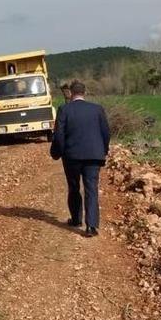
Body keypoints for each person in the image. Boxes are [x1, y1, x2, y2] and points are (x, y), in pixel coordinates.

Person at [49, 81, 110, 237]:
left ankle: (76, 219)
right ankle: (91, 226)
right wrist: (103, 150)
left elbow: (59, 135)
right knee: (91, 189)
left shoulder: (64, 110)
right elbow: (106, 133)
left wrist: (57, 152)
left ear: (71, 92)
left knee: (74, 187)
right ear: (85, 92)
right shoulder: (97, 109)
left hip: (72, 156)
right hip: (94, 156)